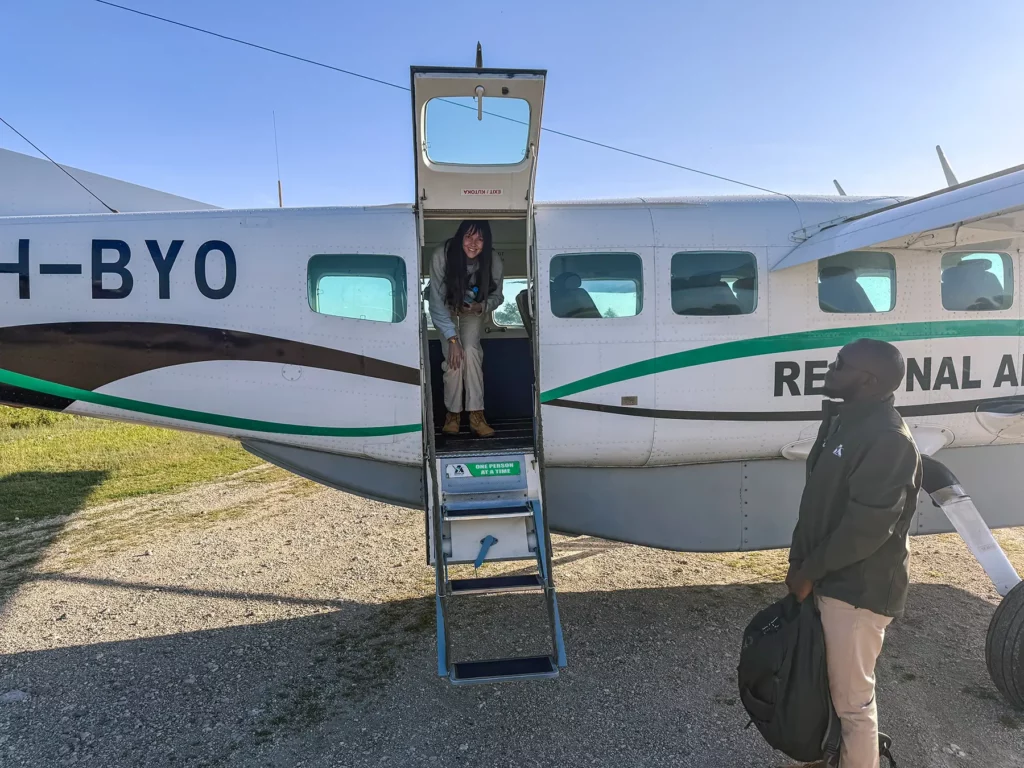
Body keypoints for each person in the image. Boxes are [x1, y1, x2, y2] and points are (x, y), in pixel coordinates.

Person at [786, 338, 922, 768]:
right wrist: (799, 562)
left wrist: (810, 571)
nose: (830, 368)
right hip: (827, 578)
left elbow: (868, 527)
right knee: (820, 686)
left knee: (852, 703)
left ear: (867, 380)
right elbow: (817, 506)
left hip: (856, 590)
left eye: (839, 364)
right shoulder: (846, 423)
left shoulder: (887, 438)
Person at [427, 220, 504, 438]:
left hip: (474, 309)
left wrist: (482, 306)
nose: (473, 244)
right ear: (460, 237)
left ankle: (476, 416)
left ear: (486, 242)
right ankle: (453, 414)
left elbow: (497, 295)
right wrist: (452, 339)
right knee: (454, 358)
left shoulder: (493, 259)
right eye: (468, 237)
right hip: (445, 308)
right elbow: (435, 299)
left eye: (480, 239)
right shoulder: (442, 254)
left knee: (471, 352)